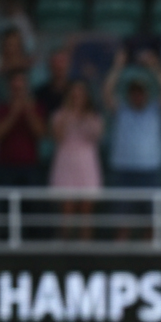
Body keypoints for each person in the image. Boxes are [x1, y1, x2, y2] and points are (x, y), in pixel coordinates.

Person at [103, 49, 161, 240]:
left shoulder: (155, 111)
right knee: (122, 223)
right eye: (134, 92)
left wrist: (155, 68)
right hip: (124, 171)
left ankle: (149, 263)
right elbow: (107, 93)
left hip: (149, 171)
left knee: (151, 223)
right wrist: (117, 68)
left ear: (146, 94)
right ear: (129, 94)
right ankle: (119, 263)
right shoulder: (122, 110)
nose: (137, 96)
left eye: (140, 92)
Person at [49, 79, 103, 240]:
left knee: (86, 210)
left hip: (86, 163)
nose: (77, 96)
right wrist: (68, 112)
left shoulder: (93, 117)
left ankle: (85, 249)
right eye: (74, 92)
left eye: (81, 93)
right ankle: (66, 248)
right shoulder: (59, 115)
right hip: (66, 162)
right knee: (67, 208)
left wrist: (83, 115)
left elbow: (96, 136)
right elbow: (58, 136)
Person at [0, 67, 46, 186]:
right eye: (15, 85)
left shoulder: (36, 108)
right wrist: (13, 113)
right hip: (6, 165)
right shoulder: (3, 109)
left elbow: (40, 133)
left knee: (32, 202)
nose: (18, 88)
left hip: (30, 165)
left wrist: (28, 111)